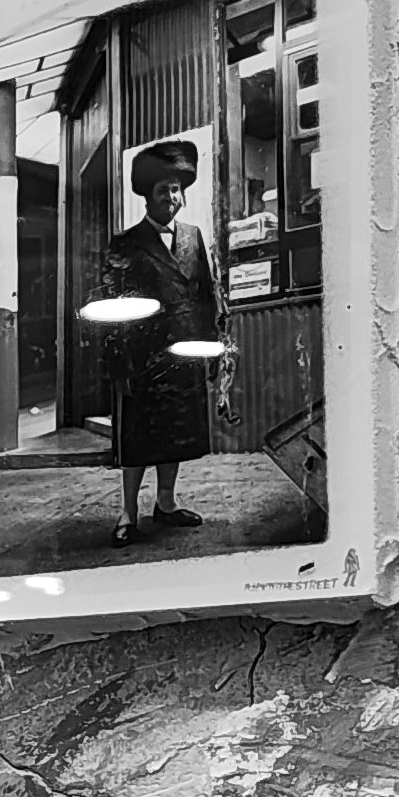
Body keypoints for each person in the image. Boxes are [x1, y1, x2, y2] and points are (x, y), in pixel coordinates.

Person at [101, 140, 225, 546]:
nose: (171, 197)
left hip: (184, 355)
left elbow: (205, 295)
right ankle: (128, 513)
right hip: (142, 360)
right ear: (147, 196)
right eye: (162, 190)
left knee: (175, 434)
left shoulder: (193, 237)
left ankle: (166, 504)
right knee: (138, 440)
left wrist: (212, 347)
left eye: (176, 189)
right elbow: (111, 306)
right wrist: (118, 366)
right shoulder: (125, 242)